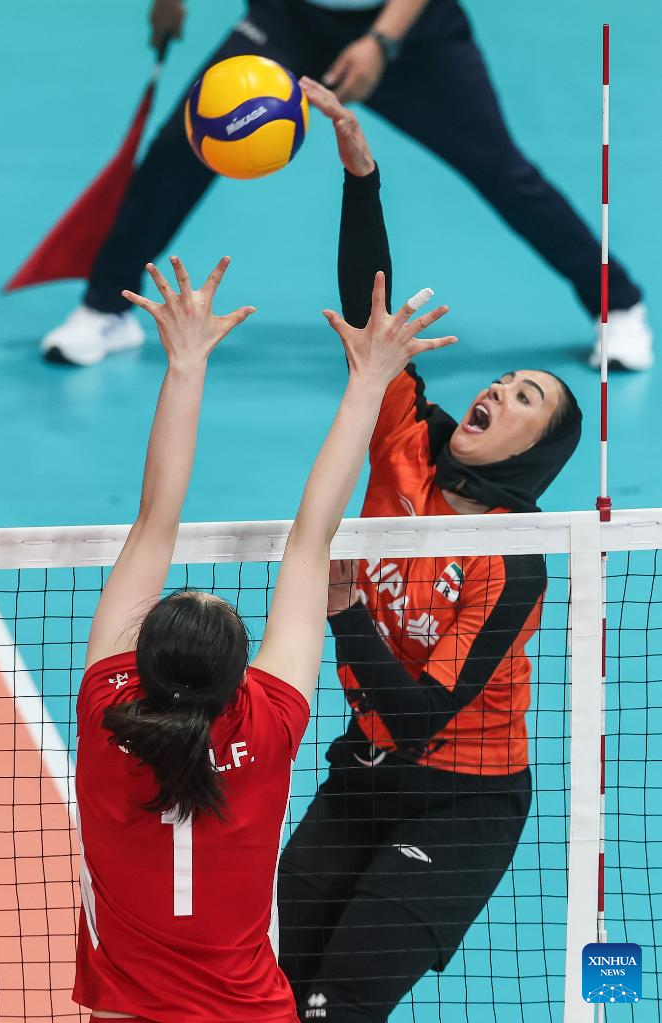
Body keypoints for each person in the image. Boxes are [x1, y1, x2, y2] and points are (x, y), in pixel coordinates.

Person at [73, 247, 455, 1023]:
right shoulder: (270, 719)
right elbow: (312, 539)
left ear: (139, 658)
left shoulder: (105, 705)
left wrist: (185, 363)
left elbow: (153, 521)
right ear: (237, 675)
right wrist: (370, 382)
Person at [275, 79, 582, 1023]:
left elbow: (419, 718)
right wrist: (360, 174)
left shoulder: (514, 562)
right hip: (363, 771)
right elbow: (369, 319)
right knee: (278, 982)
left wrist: (343, 612)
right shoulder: (406, 437)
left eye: (526, 399)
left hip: (463, 803)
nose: (500, 390)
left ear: (534, 453)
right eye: (507, 378)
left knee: (337, 1002)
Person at [41, 0, 651, 370]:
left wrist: (382, 41)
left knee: (499, 169)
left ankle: (616, 303)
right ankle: (106, 307)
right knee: (181, 148)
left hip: (411, 29)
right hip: (289, 19)